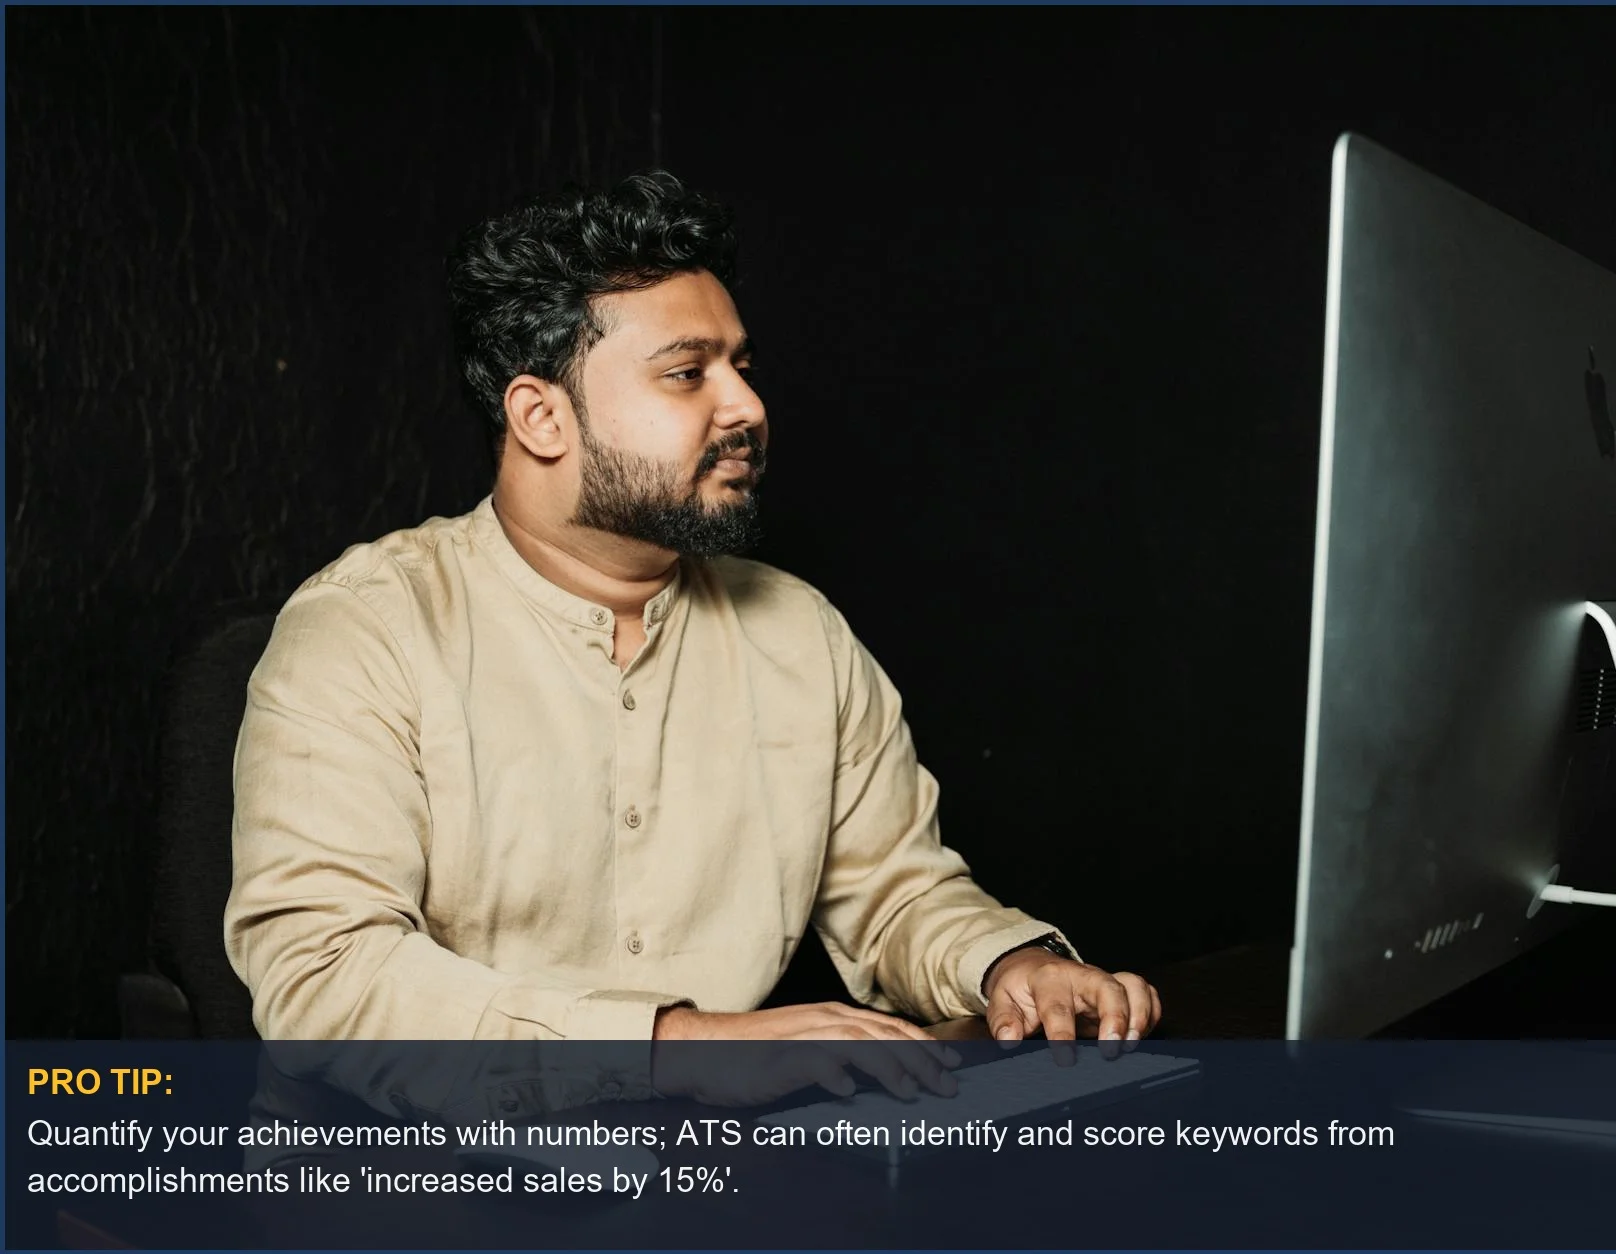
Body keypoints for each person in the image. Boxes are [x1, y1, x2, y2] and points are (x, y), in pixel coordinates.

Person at [224, 172, 1161, 1089]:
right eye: (686, 375)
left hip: (723, 1179)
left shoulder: (801, 633)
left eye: (741, 367)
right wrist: (675, 1044)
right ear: (540, 415)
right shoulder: (365, 632)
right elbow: (325, 977)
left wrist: (1009, 968)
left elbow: (897, 893)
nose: (747, 408)